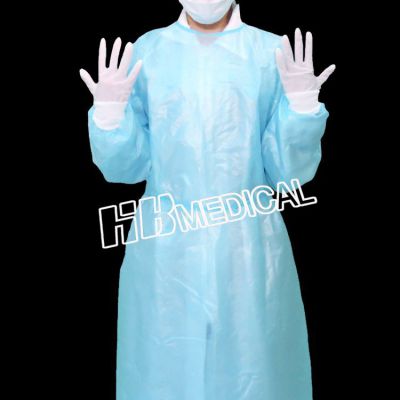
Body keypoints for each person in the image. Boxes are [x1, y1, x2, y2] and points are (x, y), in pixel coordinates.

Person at [80, 1, 335, 399]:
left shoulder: (270, 55)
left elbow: (287, 174)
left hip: (250, 251)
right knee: (163, 373)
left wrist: (302, 113)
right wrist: (109, 117)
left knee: (256, 372)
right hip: (165, 253)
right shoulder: (148, 53)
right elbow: (127, 166)